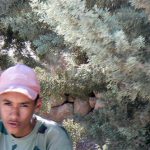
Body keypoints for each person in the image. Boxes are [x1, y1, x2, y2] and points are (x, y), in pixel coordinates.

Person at [0, 64, 73, 150]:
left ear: (37, 105)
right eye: (8, 104)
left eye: (24, 105)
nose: (14, 115)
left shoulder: (54, 136)